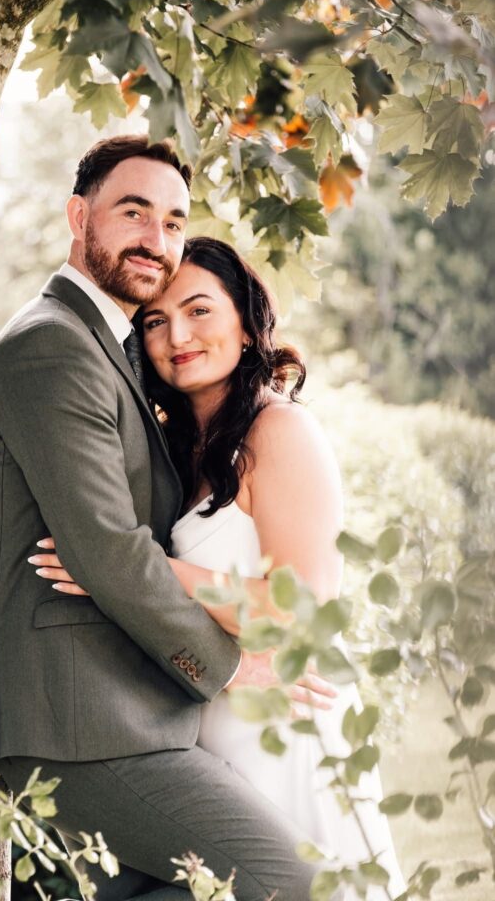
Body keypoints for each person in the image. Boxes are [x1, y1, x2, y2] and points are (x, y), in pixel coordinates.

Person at [0, 136, 320, 901]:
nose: (156, 238)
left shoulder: (106, 348)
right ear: (78, 217)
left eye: (173, 221)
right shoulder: (53, 349)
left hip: (121, 708)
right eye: (133, 212)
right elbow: (110, 554)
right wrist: (234, 668)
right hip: (79, 723)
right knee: (284, 882)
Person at [32, 237, 407, 900]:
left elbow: (301, 608)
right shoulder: (177, 450)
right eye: (155, 320)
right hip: (212, 720)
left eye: (199, 310)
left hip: (288, 721)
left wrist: (122, 568)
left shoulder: (280, 431)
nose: (177, 335)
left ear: (246, 321)